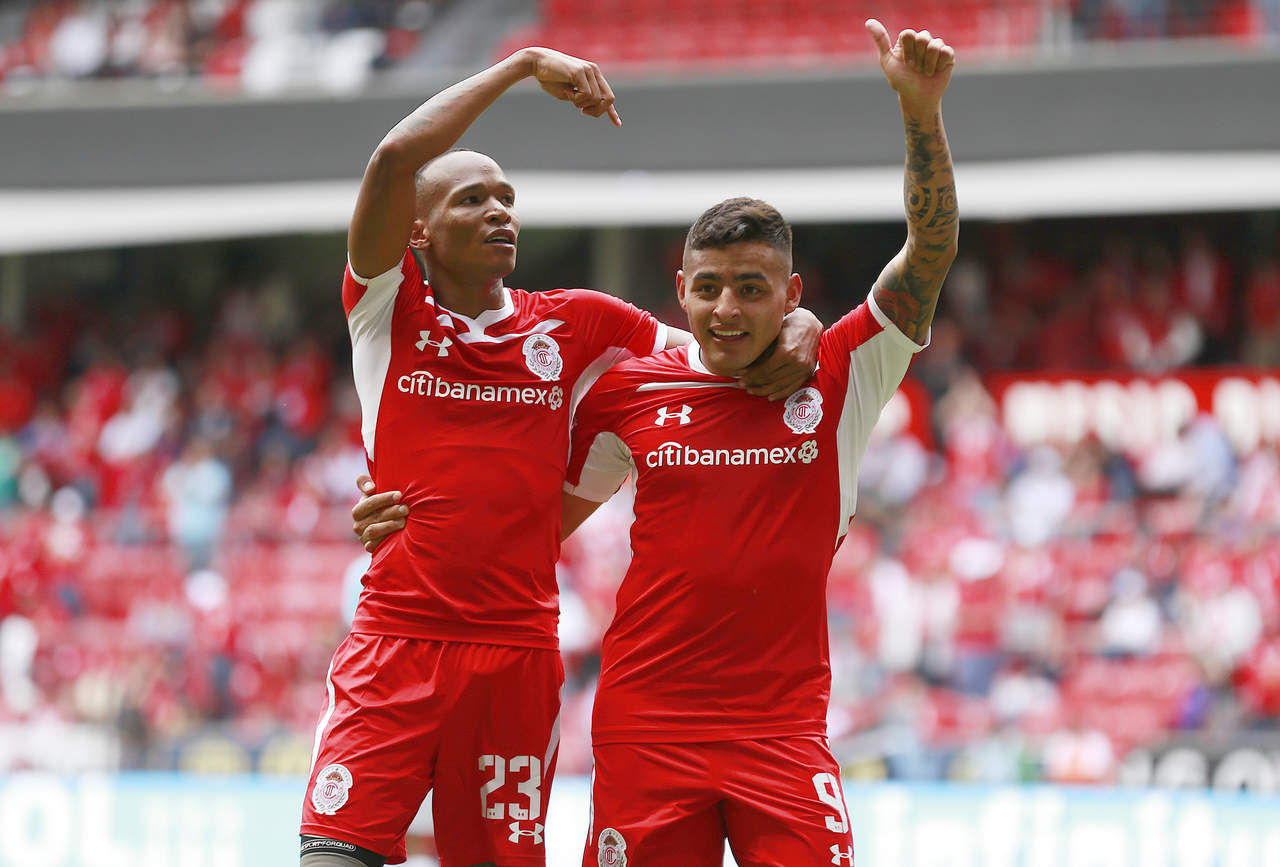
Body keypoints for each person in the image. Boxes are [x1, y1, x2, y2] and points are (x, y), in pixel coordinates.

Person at [357, 20, 957, 865]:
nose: (726, 308)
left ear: (791, 293)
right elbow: (527, 524)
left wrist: (921, 113)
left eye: (751, 289)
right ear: (681, 290)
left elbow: (928, 255)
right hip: (645, 727)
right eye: (708, 288)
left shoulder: (842, 370)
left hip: (781, 732)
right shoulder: (628, 390)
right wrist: (411, 516)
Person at [303, 47, 821, 867]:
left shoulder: (577, 323)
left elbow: (720, 348)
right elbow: (395, 157)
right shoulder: (386, 311)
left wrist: (803, 324)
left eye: (508, 198)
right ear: (418, 230)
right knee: (333, 853)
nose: (500, 212)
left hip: (516, 652)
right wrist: (520, 68)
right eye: (473, 199)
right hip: (397, 638)